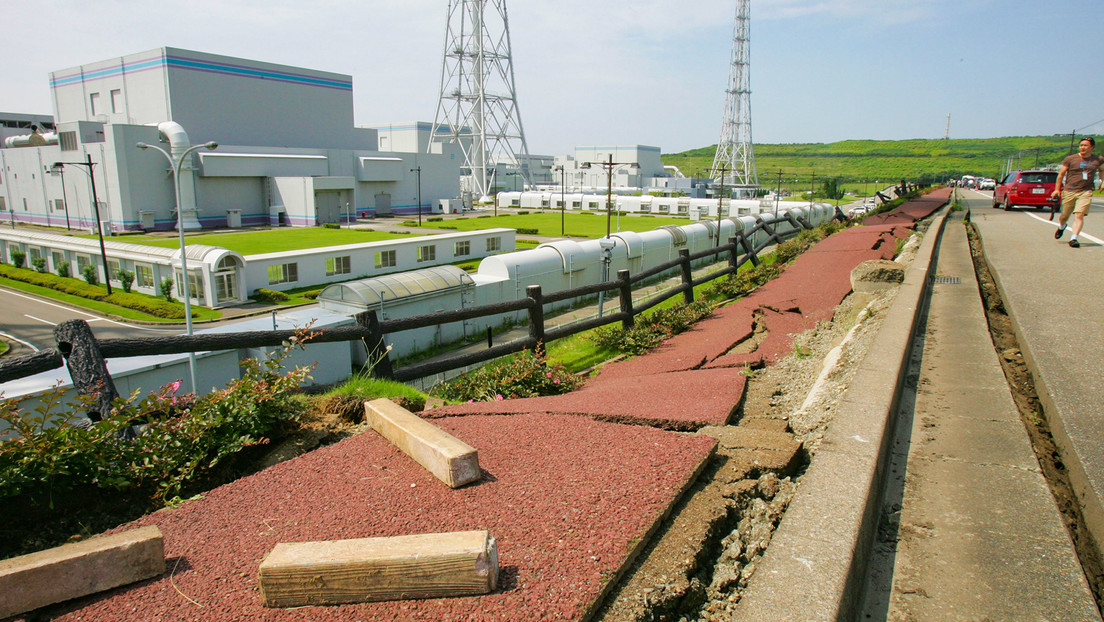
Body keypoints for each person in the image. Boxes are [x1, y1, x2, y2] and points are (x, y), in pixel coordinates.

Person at [1052, 137, 1103, 248]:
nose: (1083, 147)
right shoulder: (1070, 159)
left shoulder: (1098, 159)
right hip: (1069, 190)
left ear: (1092, 147)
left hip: (1086, 191)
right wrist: (1057, 190)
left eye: (1086, 145)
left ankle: (1074, 238)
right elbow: (1061, 175)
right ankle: (1062, 226)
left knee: (1079, 215)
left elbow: (1102, 170)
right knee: (1064, 216)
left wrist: (1103, 181)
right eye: (1081, 145)